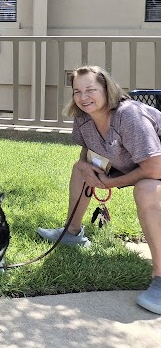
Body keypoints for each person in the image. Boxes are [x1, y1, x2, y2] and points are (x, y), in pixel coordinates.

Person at [37, 65, 161, 315]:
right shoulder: (83, 117)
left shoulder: (129, 116)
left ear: (107, 89)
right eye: (77, 91)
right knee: (79, 169)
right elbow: (87, 149)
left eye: (91, 90)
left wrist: (109, 183)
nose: (83, 97)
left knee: (146, 189)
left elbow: (155, 168)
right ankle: (72, 232)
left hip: (155, 167)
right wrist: (85, 165)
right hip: (133, 166)